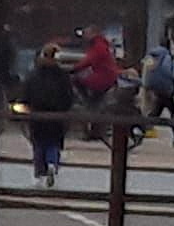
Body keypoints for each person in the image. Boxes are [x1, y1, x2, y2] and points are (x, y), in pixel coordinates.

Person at [20, 43, 75, 187]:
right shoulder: (63, 76)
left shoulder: (34, 75)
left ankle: (39, 173)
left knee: (38, 144)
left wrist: (24, 106)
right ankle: (52, 164)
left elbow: (26, 94)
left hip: (37, 113)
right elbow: (69, 96)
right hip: (57, 114)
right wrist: (65, 109)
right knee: (54, 143)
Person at [69, 25, 119, 113]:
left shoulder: (98, 46)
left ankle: (88, 104)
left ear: (93, 34)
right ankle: (94, 105)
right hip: (107, 76)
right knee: (97, 94)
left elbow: (88, 61)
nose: (84, 36)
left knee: (76, 79)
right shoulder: (101, 44)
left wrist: (73, 69)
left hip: (103, 77)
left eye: (87, 33)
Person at [144, 38, 174, 146]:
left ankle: (144, 126)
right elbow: (168, 71)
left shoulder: (151, 55)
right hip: (165, 87)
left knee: (158, 109)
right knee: (172, 111)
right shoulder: (167, 57)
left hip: (153, 85)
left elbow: (147, 68)